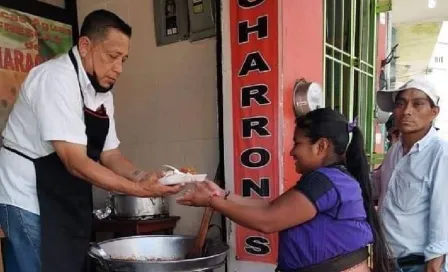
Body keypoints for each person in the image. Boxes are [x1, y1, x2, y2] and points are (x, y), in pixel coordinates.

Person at [0, 10, 183, 272]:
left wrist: (143, 177)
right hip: (27, 196)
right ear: (85, 46)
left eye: (124, 59)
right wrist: (139, 191)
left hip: (63, 195)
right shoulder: (55, 79)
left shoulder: (101, 90)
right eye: (112, 56)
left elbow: (111, 155)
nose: (118, 68)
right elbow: (75, 162)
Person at [178, 108, 393, 272]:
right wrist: (221, 195)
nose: (292, 151)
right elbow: (272, 207)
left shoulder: (324, 181)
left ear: (321, 146)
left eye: (297, 143)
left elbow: (268, 220)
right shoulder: (333, 179)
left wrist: (212, 202)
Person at [374, 77, 448, 272]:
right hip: (386, 261)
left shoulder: (440, 154)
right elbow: (377, 190)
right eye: (400, 104)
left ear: (434, 112)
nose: (406, 111)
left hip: (417, 265)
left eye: (418, 104)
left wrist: (434, 265)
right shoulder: (395, 151)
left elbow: (442, 214)